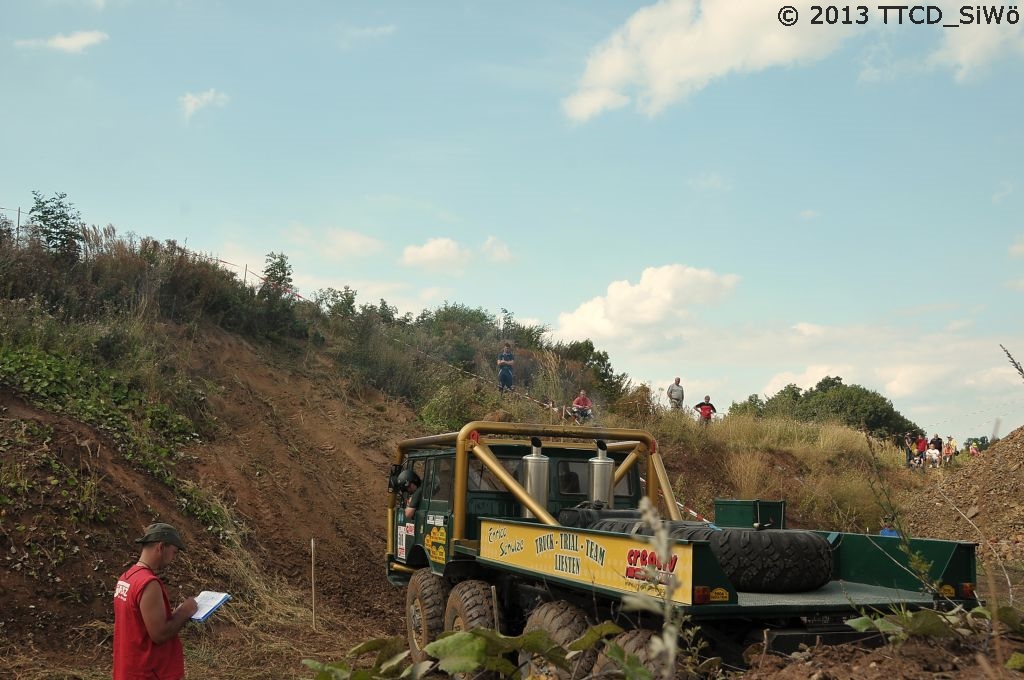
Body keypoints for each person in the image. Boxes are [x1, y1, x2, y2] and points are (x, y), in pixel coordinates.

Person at [113, 523, 198, 680]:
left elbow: (141, 624)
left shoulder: (126, 578)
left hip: (129, 669)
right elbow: (160, 634)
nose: (173, 558)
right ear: (160, 547)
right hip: (148, 672)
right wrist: (186, 611)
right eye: (174, 552)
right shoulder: (149, 583)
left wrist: (175, 613)